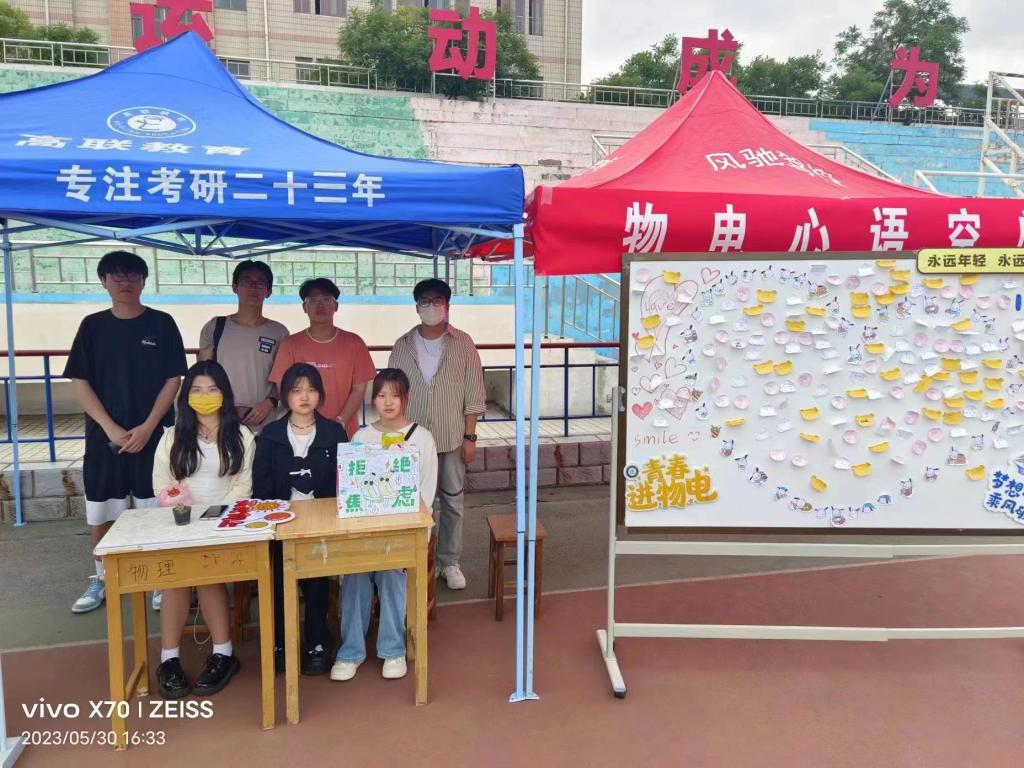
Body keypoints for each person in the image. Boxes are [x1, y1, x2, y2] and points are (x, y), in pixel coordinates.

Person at [64, 250, 187, 614]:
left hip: (155, 436)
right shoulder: (92, 326)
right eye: (116, 276)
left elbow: (174, 378)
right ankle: (102, 576)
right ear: (104, 281)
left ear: (143, 281)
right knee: (103, 511)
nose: (125, 282)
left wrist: (149, 427)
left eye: (132, 275)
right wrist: (110, 428)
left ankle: (161, 578)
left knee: (158, 509)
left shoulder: (162, 323)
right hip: (105, 439)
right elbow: (80, 381)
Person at [151, 361, 256, 699]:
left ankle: (223, 653)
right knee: (176, 579)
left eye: (212, 389)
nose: (205, 396)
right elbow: (162, 483)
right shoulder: (171, 436)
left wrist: (214, 518)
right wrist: (182, 510)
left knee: (210, 577)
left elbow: (243, 486)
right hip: (180, 523)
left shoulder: (241, 436)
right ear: (186, 396)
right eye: (196, 390)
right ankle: (169, 659)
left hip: (222, 524)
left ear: (224, 394)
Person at [332, 369, 437, 682]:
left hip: (403, 532)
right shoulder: (361, 438)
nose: (388, 402)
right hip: (364, 531)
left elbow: (426, 493)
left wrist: (412, 530)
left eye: (395, 395)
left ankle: (393, 650)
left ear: (407, 398)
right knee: (355, 574)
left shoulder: (422, 438)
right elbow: (349, 487)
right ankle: (350, 652)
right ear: (373, 399)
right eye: (381, 395)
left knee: (392, 573)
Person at [388, 279, 484, 590]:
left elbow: (474, 393)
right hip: (411, 440)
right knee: (413, 501)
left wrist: (470, 437)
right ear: (417, 307)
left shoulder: (463, 343)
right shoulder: (402, 345)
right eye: (425, 301)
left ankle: (449, 562)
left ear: (448, 305)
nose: (431, 306)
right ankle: (414, 559)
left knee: (452, 502)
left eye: (437, 300)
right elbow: (391, 392)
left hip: (452, 436)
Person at [253, 362, 348, 675]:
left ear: (320, 395)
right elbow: (261, 485)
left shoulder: (334, 432)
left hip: (322, 524)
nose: (304, 397)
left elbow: (343, 482)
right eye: (296, 390)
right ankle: (281, 641)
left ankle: (318, 640)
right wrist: (276, 519)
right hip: (280, 523)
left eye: (311, 390)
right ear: (285, 396)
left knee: (318, 581)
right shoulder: (271, 434)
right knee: (279, 581)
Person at [269, 277, 375, 442]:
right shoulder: (290, 344)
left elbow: (359, 389)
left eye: (326, 299)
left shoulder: (354, 343)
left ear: (336, 306)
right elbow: (283, 388)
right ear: (304, 307)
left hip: (344, 430)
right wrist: (309, 423)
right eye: (313, 300)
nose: (320, 305)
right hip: (301, 433)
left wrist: (340, 421)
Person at [197, 260, 289, 433]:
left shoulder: (279, 332)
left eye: (260, 282)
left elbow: (284, 380)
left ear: (268, 291)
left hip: (263, 424)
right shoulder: (215, 327)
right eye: (246, 281)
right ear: (235, 287)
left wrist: (269, 403)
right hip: (221, 421)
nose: (253, 287)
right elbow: (202, 374)